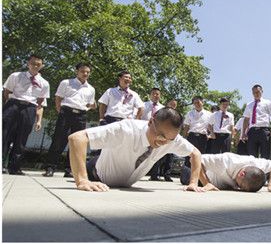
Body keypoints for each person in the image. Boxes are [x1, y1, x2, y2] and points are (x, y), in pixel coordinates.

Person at [68, 107, 204, 192]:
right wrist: (82, 180)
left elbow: (196, 153)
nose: (164, 143)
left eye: (170, 140)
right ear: (150, 122)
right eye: (161, 136)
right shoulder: (126, 129)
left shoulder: (170, 139)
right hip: (96, 173)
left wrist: (193, 183)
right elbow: (77, 138)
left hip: (124, 181)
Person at [43, 63, 96, 177]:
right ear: (76, 71)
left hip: (81, 115)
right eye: (82, 71)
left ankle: (70, 170)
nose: (85, 74)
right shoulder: (66, 83)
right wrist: (60, 110)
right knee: (58, 140)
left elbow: (91, 104)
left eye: (87, 72)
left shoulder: (91, 89)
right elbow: (58, 98)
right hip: (66, 113)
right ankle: (50, 167)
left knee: (77, 143)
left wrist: (88, 107)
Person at [3, 54, 50, 175]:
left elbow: (40, 103)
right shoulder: (16, 76)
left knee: (22, 139)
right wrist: (9, 107)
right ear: (28, 63)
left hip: (30, 108)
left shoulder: (44, 83)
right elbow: (6, 92)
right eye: (33, 63)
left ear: (42, 66)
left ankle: (14, 167)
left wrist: (39, 120)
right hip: (13, 105)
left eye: (38, 64)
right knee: (4, 135)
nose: (35, 66)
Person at [180, 152, 271, 193]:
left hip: (220, 182)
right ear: (242, 174)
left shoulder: (258, 164)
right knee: (186, 173)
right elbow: (194, 159)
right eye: (241, 185)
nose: (239, 188)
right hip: (198, 175)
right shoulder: (225, 161)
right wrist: (206, 183)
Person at [242, 85, 271, 159]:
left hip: (264, 131)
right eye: (254, 92)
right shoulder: (249, 105)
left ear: (262, 91)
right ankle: (253, 171)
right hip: (252, 132)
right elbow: (246, 120)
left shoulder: (268, 102)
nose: (256, 94)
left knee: (265, 155)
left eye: (258, 92)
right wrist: (243, 133)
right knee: (252, 157)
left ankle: (265, 171)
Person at [183, 96, 212, 165]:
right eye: (195, 103)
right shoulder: (189, 113)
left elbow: (211, 127)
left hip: (203, 137)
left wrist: (210, 135)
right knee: (189, 155)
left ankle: (199, 174)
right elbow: (186, 126)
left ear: (202, 102)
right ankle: (188, 174)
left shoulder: (209, 114)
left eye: (198, 102)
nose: (197, 104)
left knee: (201, 157)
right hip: (191, 136)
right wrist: (184, 138)